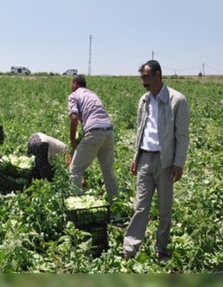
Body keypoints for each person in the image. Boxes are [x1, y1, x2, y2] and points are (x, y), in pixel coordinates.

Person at [123, 60, 190, 261]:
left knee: (164, 208)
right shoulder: (143, 100)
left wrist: (178, 163)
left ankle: (162, 249)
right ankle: (130, 249)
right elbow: (140, 130)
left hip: (165, 162)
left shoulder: (177, 100)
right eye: (141, 77)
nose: (143, 81)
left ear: (158, 76)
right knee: (140, 206)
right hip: (144, 158)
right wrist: (136, 156)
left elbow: (182, 135)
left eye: (145, 77)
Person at [68, 75, 118, 204]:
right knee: (108, 172)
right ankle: (116, 205)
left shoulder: (74, 95)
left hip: (94, 132)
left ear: (75, 83)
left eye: (71, 84)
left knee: (75, 171)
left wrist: (73, 139)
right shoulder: (92, 94)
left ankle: (77, 205)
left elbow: (74, 118)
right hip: (108, 131)